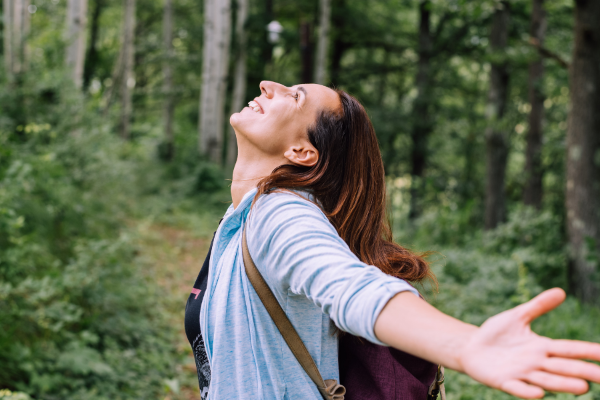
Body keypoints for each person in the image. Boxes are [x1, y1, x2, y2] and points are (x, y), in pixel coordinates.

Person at [184, 81, 600, 400]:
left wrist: (465, 345)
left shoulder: (279, 214)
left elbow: (352, 287)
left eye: (292, 97)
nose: (267, 86)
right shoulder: (240, 217)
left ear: (302, 151)